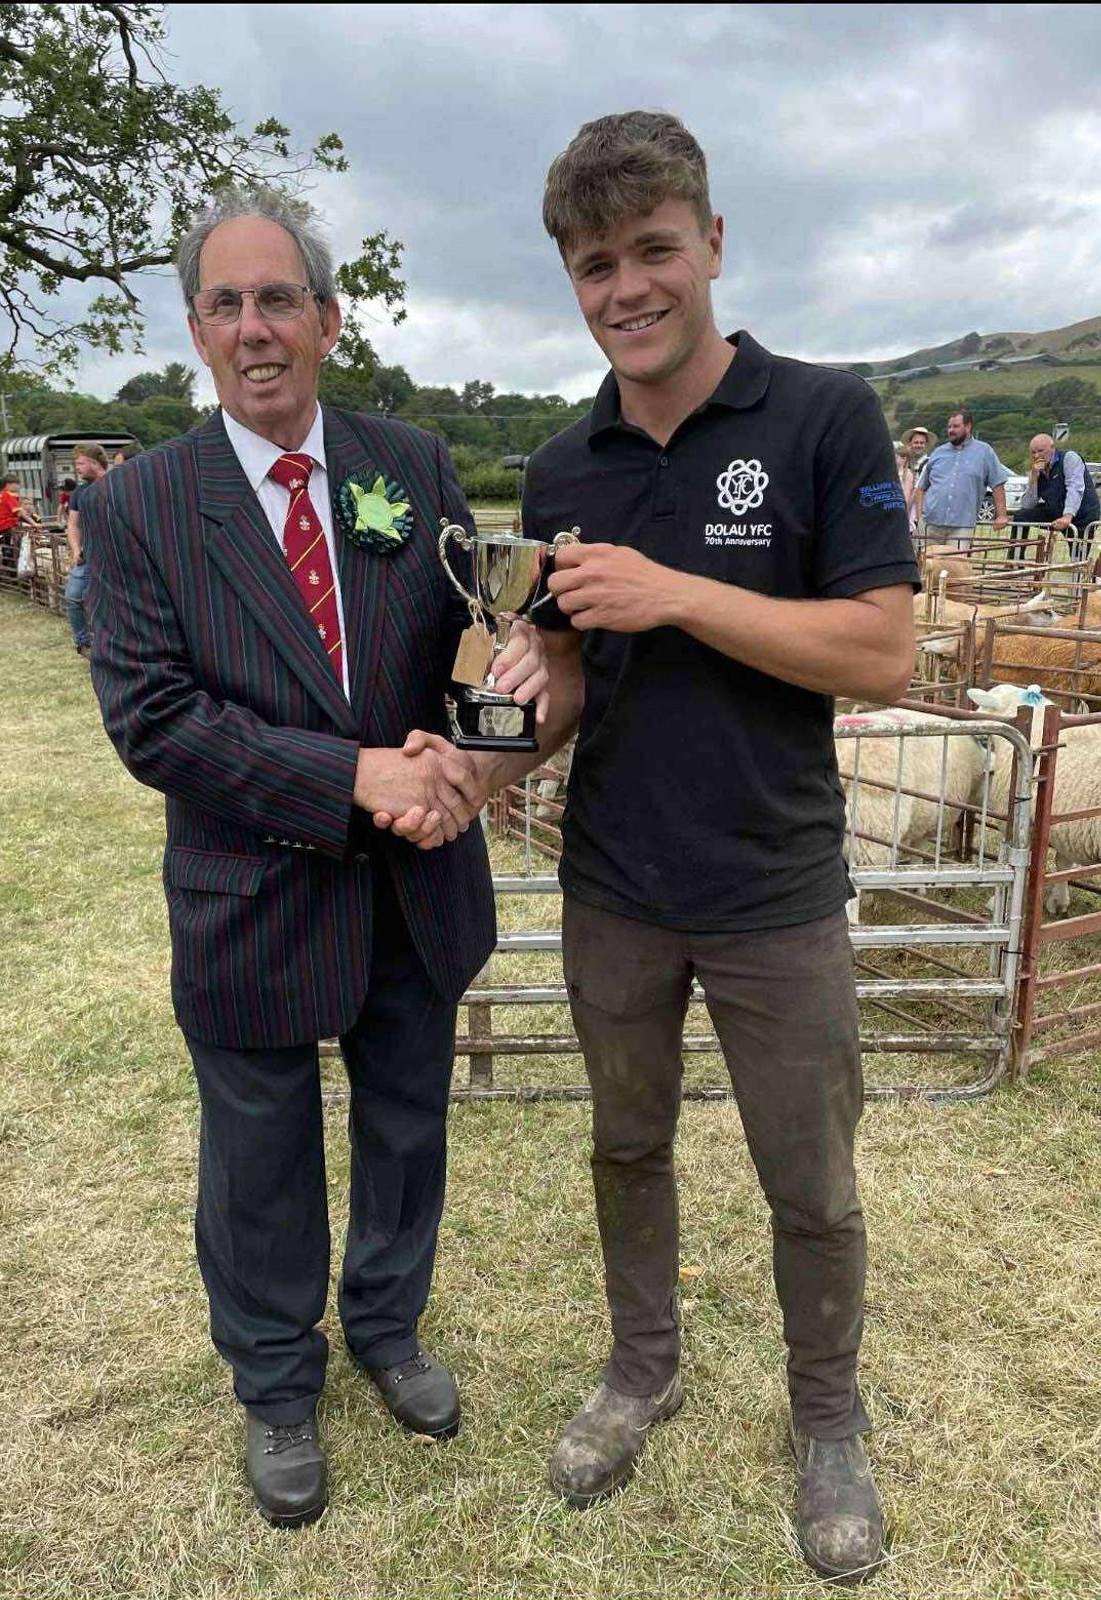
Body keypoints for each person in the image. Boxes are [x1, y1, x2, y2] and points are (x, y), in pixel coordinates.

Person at [403, 110, 917, 1583]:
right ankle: (643, 1369)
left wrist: (677, 592)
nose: (624, 288)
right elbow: (561, 675)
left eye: (650, 253)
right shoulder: (565, 469)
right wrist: (478, 764)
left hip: (773, 890)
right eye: (591, 265)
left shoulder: (825, 418)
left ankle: (828, 1420)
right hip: (618, 884)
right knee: (624, 1142)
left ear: (711, 246)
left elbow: (881, 649)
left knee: (809, 1175)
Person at [80, 186, 547, 1528]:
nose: (253, 327)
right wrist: (355, 777)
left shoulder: (411, 466)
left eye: (277, 298)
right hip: (255, 894)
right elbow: (155, 722)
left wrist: (475, 762)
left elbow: (471, 644)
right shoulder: (142, 510)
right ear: (195, 332)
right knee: (260, 1156)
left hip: (416, 881)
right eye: (224, 305)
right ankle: (278, 1385)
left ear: (328, 321)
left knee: (407, 1129)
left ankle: (388, 1330)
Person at [915, 409, 1009, 552]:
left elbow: (997, 483)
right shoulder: (938, 453)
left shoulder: (985, 452)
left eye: (956, 426)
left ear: (968, 426)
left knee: (955, 567)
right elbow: (921, 487)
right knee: (927, 568)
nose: (951, 430)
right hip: (931, 523)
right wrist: (919, 516)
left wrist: (1002, 515)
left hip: (962, 525)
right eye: (949, 427)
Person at [1011, 432, 1100, 560]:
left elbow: (1075, 488)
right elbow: (1027, 504)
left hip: (1082, 516)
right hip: (1055, 511)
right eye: (1033, 452)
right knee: (1021, 516)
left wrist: (1067, 516)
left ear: (1052, 448)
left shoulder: (1069, 458)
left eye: (1040, 451)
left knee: (1077, 560)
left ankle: (1078, 575)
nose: (1036, 456)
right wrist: (1034, 479)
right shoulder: (1037, 471)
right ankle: (1014, 561)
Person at [64, 445, 108, 655]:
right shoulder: (80, 492)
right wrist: (75, 549)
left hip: (112, 556)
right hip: (88, 556)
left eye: (80, 463)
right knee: (73, 597)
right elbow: (73, 524)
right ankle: (83, 644)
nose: (77, 468)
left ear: (94, 462)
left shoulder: (115, 485)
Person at [0, 473, 41, 579]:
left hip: (0, 525)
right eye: (16, 484)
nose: (18, 486)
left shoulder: (1, 494)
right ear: (8, 484)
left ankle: (7, 570)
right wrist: (34, 523)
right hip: (6, 524)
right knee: (22, 542)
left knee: (9, 549)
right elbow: (19, 513)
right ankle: (20, 569)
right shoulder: (8, 495)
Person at [899, 425, 934, 542]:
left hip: (919, 513)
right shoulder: (907, 464)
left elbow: (917, 489)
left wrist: (906, 509)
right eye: (916, 442)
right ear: (910, 443)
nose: (918, 445)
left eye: (922, 443)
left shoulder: (928, 463)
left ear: (926, 445)